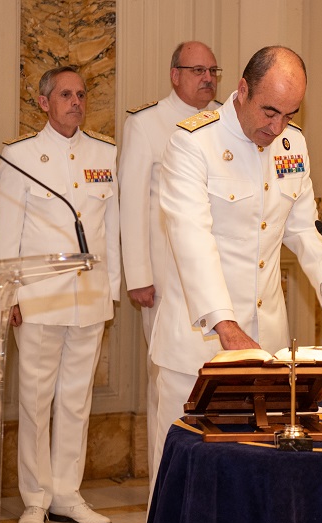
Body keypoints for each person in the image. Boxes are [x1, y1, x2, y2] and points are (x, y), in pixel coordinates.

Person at [151, 46, 322, 487]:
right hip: (199, 346)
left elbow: (304, 226)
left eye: (289, 114)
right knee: (184, 481)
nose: (277, 127)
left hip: (266, 347)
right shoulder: (193, 143)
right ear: (242, 90)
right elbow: (191, 239)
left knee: (255, 479)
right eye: (269, 111)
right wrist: (226, 325)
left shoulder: (292, 144)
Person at [0, 66, 120, 523]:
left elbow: (112, 228)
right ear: (44, 102)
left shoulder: (104, 153)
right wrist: (8, 294)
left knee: (75, 401)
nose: (76, 103)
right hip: (39, 299)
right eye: (66, 95)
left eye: (81, 94)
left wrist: (111, 289)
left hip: (89, 297)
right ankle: (35, 498)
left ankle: (67, 493)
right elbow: (7, 232)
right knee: (34, 401)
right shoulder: (20, 155)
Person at [117, 41, 221, 477]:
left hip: (216, 282)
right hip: (164, 279)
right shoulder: (146, 124)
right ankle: (164, 486)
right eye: (198, 70)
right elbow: (132, 204)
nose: (208, 78)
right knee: (167, 384)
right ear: (175, 75)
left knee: (217, 386)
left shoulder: (226, 121)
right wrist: (139, 274)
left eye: (213, 71)